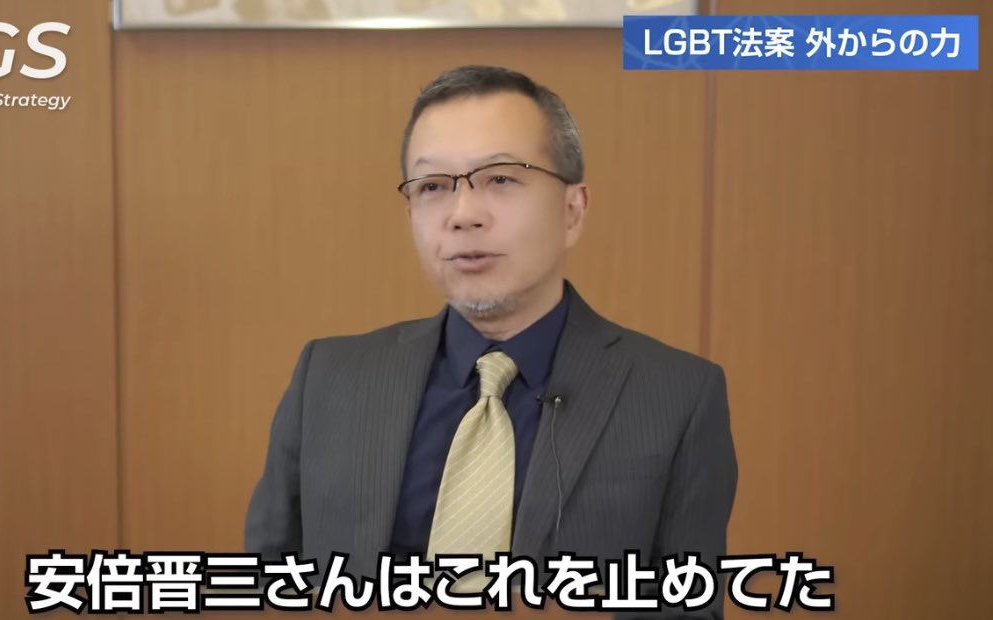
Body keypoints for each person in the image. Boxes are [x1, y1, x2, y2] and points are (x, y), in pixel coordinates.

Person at [245, 65, 737, 617]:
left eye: (501, 179)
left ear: (572, 211)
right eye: (433, 187)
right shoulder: (329, 378)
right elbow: (266, 585)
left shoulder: (677, 396)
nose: (464, 215)